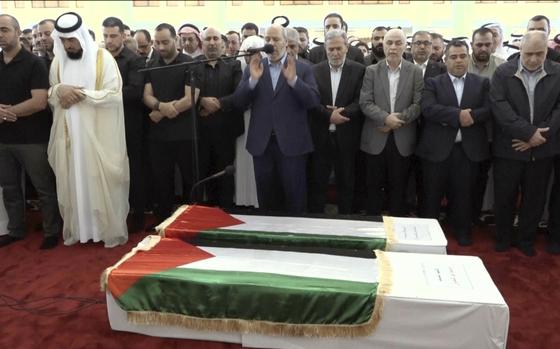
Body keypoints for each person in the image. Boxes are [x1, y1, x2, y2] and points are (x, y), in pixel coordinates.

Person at [48, 12, 129, 247]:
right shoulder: (58, 61)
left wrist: (80, 94)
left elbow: (114, 95)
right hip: (69, 137)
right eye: (63, 41)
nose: (68, 45)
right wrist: (60, 90)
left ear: (81, 37)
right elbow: (52, 94)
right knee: (73, 181)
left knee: (98, 180)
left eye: (71, 40)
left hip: (98, 137)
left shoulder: (103, 58)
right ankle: (79, 230)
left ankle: (103, 231)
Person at [235, 24, 320, 214]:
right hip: (262, 144)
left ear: (285, 43)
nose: (271, 43)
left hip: (292, 145)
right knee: (267, 199)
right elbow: (239, 102)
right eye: (268, 40)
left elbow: (313, 101)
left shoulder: (302, 68)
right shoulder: (254, 68)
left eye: (276, 39)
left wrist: (293, 81)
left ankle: (295, 240)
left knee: (294, 198)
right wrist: (253, 81)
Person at [490, 31, 560, 256]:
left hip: (543, 149)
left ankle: (526, 240)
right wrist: (529, 133)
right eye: (528, 54)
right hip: (510, 147)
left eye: (539, 54)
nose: (533, 59)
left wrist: (539, 138)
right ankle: (503, 238)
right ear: (520, 50)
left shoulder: (557, 72)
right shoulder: (503, 72)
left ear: (546, 52)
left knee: (535, 198)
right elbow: (500, 107)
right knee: (504, 196)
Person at [416, 40, 491, 246]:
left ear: (468, 57)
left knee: (464, 195)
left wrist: (473, 116)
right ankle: (427, 235)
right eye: (453, 57)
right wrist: (458, 115)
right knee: (431, 196)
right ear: (445, 59)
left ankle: (462, 231)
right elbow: (428, 109)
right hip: (436, 150)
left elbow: (489, 109)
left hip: (468, 151)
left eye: (462, 56)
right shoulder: (433, 83)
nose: (458, 60)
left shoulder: (482, 83)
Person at [0, 14, 62, 249]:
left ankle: (51, 231)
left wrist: (6, 113)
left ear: (17, 32)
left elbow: (38, 102)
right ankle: (15, 229)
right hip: (4, 139)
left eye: (5, 29)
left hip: (33, 138)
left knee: (44, 187)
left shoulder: (34, 63)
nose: (0, 34)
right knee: (10, 187)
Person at [359, 28, 423, 217]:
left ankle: (396, 228)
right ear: (382, 45)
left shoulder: (415, 72)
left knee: (399, 188)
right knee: (373, 188)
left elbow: (418, 104)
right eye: (389, 43)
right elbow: (365, 102)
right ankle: (372, 228)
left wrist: (396, 121)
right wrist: (385, 118)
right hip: (375, 136)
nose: (393, 47)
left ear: (405, 46)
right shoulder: (371, 71)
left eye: (398, 43)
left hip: (402, 139)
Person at [142, 23, 198, 224]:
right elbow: (146, 95)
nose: (161, 47)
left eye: (165, 42)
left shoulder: (189, 63)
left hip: (184, 133)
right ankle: (163, 223)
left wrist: (161, 111)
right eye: (157, 42)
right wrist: (160, 106)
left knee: (189, 180)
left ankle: (190, 221)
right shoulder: (151, 63)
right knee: (161, 181)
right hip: (158, 136)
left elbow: (191, 98)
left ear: (176, 40)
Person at [309, 29, 365, 214]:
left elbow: (361, 101)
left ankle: (346, 220)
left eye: (338, 48)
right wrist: (328, 115)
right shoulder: (314, 71)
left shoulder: (358, 70)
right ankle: (316, 221)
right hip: (320, 136)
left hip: (347, 136)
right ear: (325, 48)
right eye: (331, 49)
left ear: (346, 48)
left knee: (347, 182)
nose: (335, 53)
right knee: (318, 181)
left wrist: (342, 113)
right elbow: (311, 101)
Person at [103, 17, 146, 232]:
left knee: (133, 170)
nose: (108, 40)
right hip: (104, 125)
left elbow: (134, 92)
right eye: (105, 36)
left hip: (130, 124)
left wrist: (102, 96)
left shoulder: (134, 60)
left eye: (113, 36)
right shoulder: (98, 59)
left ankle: (137, 214)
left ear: (123, 35)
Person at [193, 27, 243, 208]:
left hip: (225, 131)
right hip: (199, 132)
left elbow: (239, 93)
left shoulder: (233, 65)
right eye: (208, 39)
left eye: (215, 39)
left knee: (225, 175)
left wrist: (218, 104)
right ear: (202, 42)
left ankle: (227, 213)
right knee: (202, 175)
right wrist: (201, 101)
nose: (212, 42)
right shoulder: (191, 65)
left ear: (223, 43)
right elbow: (185, 93)